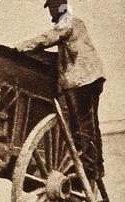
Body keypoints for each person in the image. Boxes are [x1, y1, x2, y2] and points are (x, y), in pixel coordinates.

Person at [15, 0, 106, 180]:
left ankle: (89, 169)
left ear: (59, 7)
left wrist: (21, 47)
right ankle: (94, 165)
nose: (50, 12)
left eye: (51, 7)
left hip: (84, 81)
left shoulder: (68, 21)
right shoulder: (71, 23)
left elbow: (48, 38)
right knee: (86, 123)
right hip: (87, 79)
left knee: (84, 125)